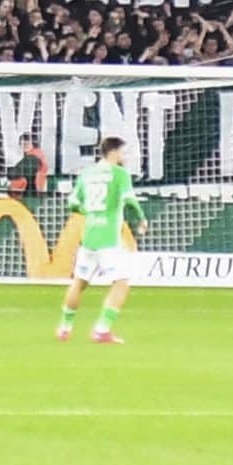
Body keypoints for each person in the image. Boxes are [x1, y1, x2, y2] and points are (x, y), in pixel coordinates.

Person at [56, 136, 142, 344]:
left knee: (79, 282)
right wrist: (141, 218)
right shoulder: (119, 174)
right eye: (122, 152)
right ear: (112, 152)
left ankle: (64, 328)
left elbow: (73, 203)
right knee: (121, 283)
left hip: (89, 238)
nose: (124, 157)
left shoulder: (86, 174)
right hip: (109, 240)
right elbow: (130, 199)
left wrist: (90, 213)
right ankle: (102, 329)